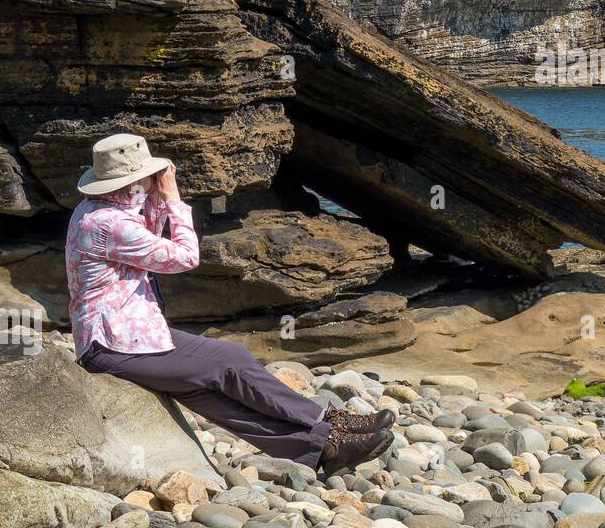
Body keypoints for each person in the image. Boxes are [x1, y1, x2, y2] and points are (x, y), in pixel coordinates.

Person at [66, 132, 392, 473]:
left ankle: (324, 448)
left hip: (126, 336)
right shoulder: (110, 224)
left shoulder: (97, 209)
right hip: (113, 346)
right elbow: (185, 257)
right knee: (228, 362)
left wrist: (158, 198)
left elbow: (144, 228)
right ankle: (327, 421)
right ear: (137, 179)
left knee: (205, 393)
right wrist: (174, 199)